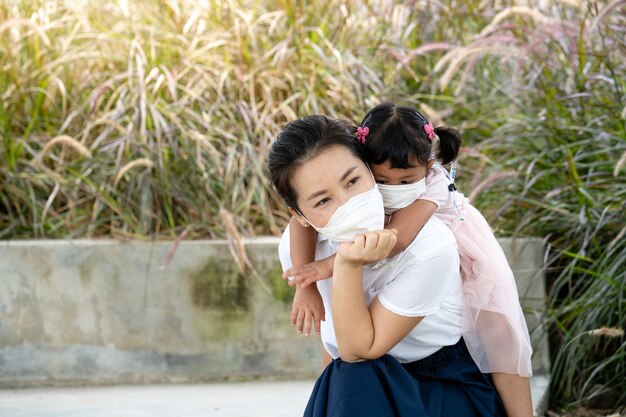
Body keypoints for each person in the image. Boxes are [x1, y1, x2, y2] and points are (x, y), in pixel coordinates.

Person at [282, 104, 533, 417]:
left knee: (498, 327)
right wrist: (307, 287)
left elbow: (395, 241)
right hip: (375, 360)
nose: (392, 189)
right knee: (345, 362)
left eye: (405, 181)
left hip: (455, 246)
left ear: (426, 168)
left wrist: (332, 264)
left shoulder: (431, 198)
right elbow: (298, 225)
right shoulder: (352, 194)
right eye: (382, 180)